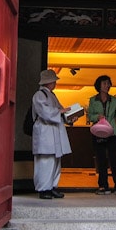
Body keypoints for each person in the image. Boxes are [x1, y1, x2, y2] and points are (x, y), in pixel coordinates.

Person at [31, 69, 72, 199]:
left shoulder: (51, 95)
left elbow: (59, 111)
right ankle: (44, 188)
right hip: (45, 131)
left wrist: (68, 116)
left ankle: (52, 186)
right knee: (45, 162)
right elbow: (44, 112)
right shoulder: (39, 95)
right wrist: (60, 112)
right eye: (53, 81)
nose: (55, 83)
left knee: (55, 161)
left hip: (53, 131)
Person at [87, 75, 116, 195]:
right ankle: (103, 186)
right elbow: (89, 116)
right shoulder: (93, 100)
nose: (107, 86)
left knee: (114, 159)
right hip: (98, 132)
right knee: (101, 160)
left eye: (109, 83)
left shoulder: (114, 101)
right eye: (105, 83)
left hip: (112, 133)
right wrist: (97, 117)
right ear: (99, 86)